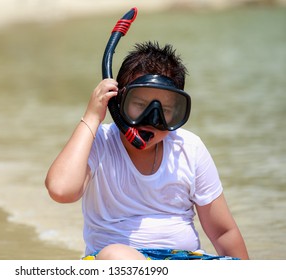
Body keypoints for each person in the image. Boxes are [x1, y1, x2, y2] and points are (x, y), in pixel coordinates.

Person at [45, 41, 249, 260]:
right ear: (117, 102)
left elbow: (223, 232)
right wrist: (92, 116)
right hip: (117, 264)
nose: (152, 119)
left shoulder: (189, 148)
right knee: (117, 255)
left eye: (166, 110)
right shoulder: (100, 142)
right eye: (140, 105)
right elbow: (61, 190)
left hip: (185, 260)